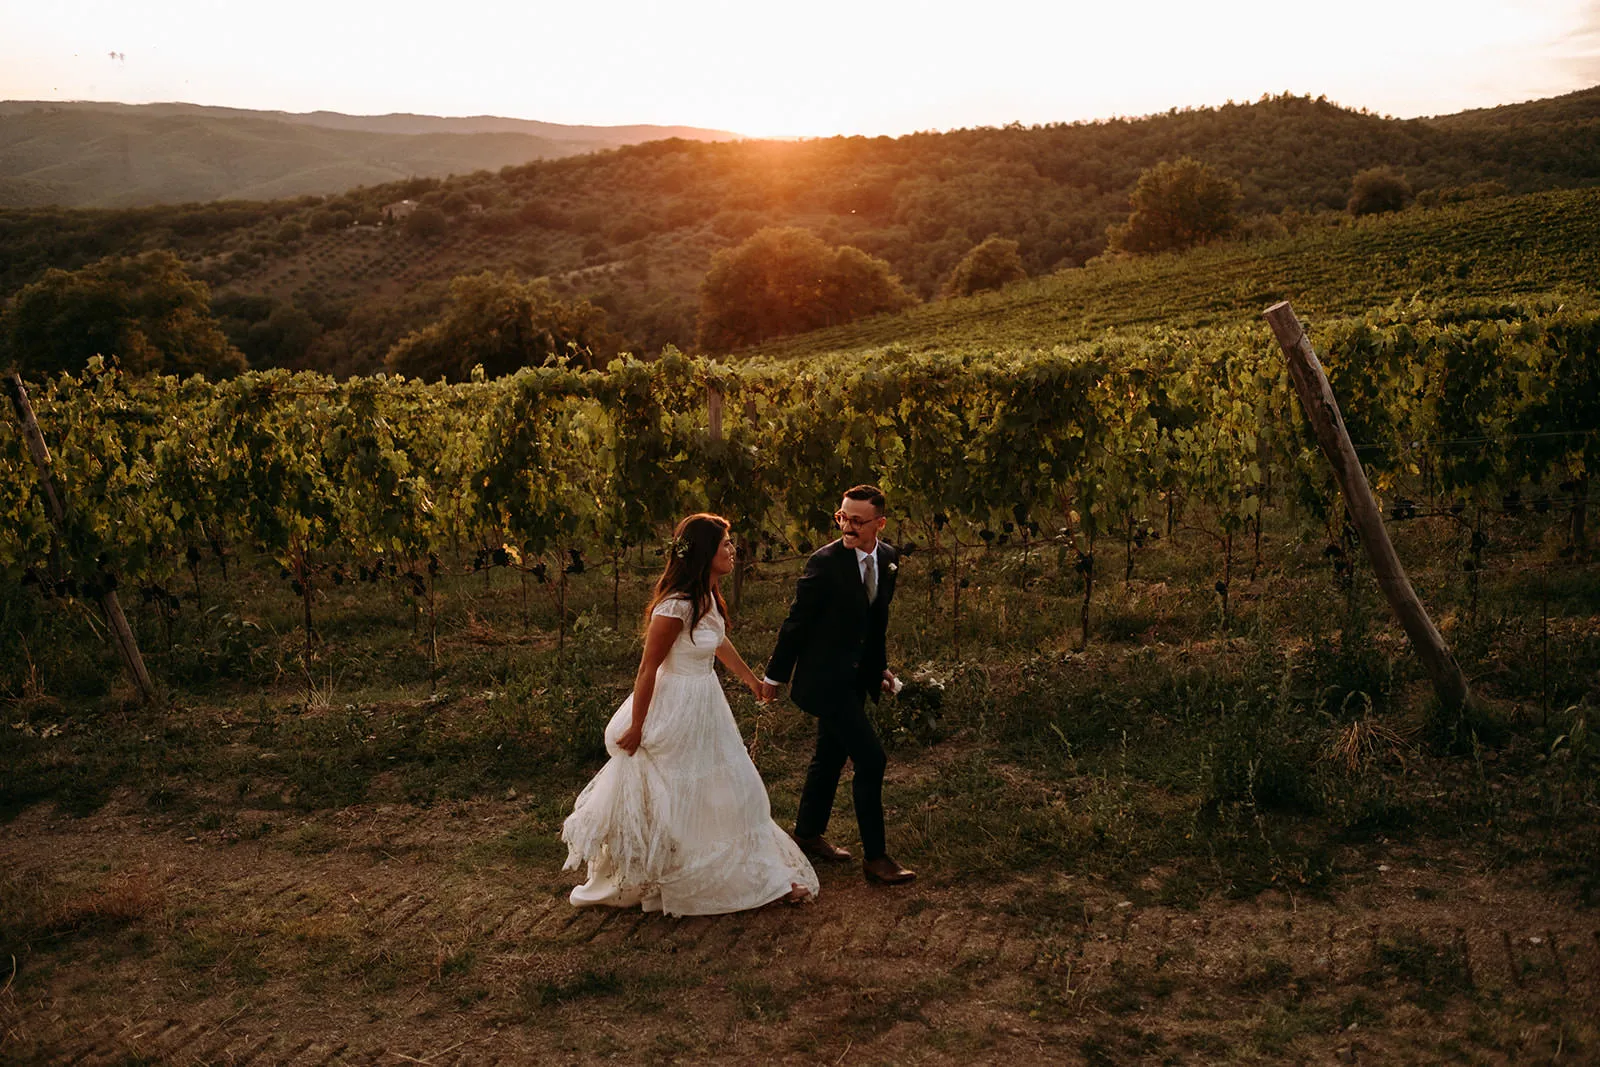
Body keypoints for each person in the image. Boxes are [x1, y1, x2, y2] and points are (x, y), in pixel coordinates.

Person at [561, 513, 819, 916]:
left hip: (706, 704)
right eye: (725, 546)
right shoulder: (674, 606)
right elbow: (648, 669)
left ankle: (758, 875)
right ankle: (679, 875)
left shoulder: (708, 596)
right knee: (680, 795)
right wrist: (637, 725)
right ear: (704, 554)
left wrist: (752, 682)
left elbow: (718, 643)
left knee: (737, 790)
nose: (733, 551)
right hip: (674, 706)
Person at [763, 485, 916, 885]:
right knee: (871, 758)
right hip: (825, 680)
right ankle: (876, 857)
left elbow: (874, 623)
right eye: (842, 517)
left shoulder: (888, 557)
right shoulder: (825, 563)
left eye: (857, 521)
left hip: (854, 678)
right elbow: (796, 623)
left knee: (829, 756)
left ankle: (808, 834)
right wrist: (774, 676)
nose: (847, 526)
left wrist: (878, 668)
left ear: (879, 523)